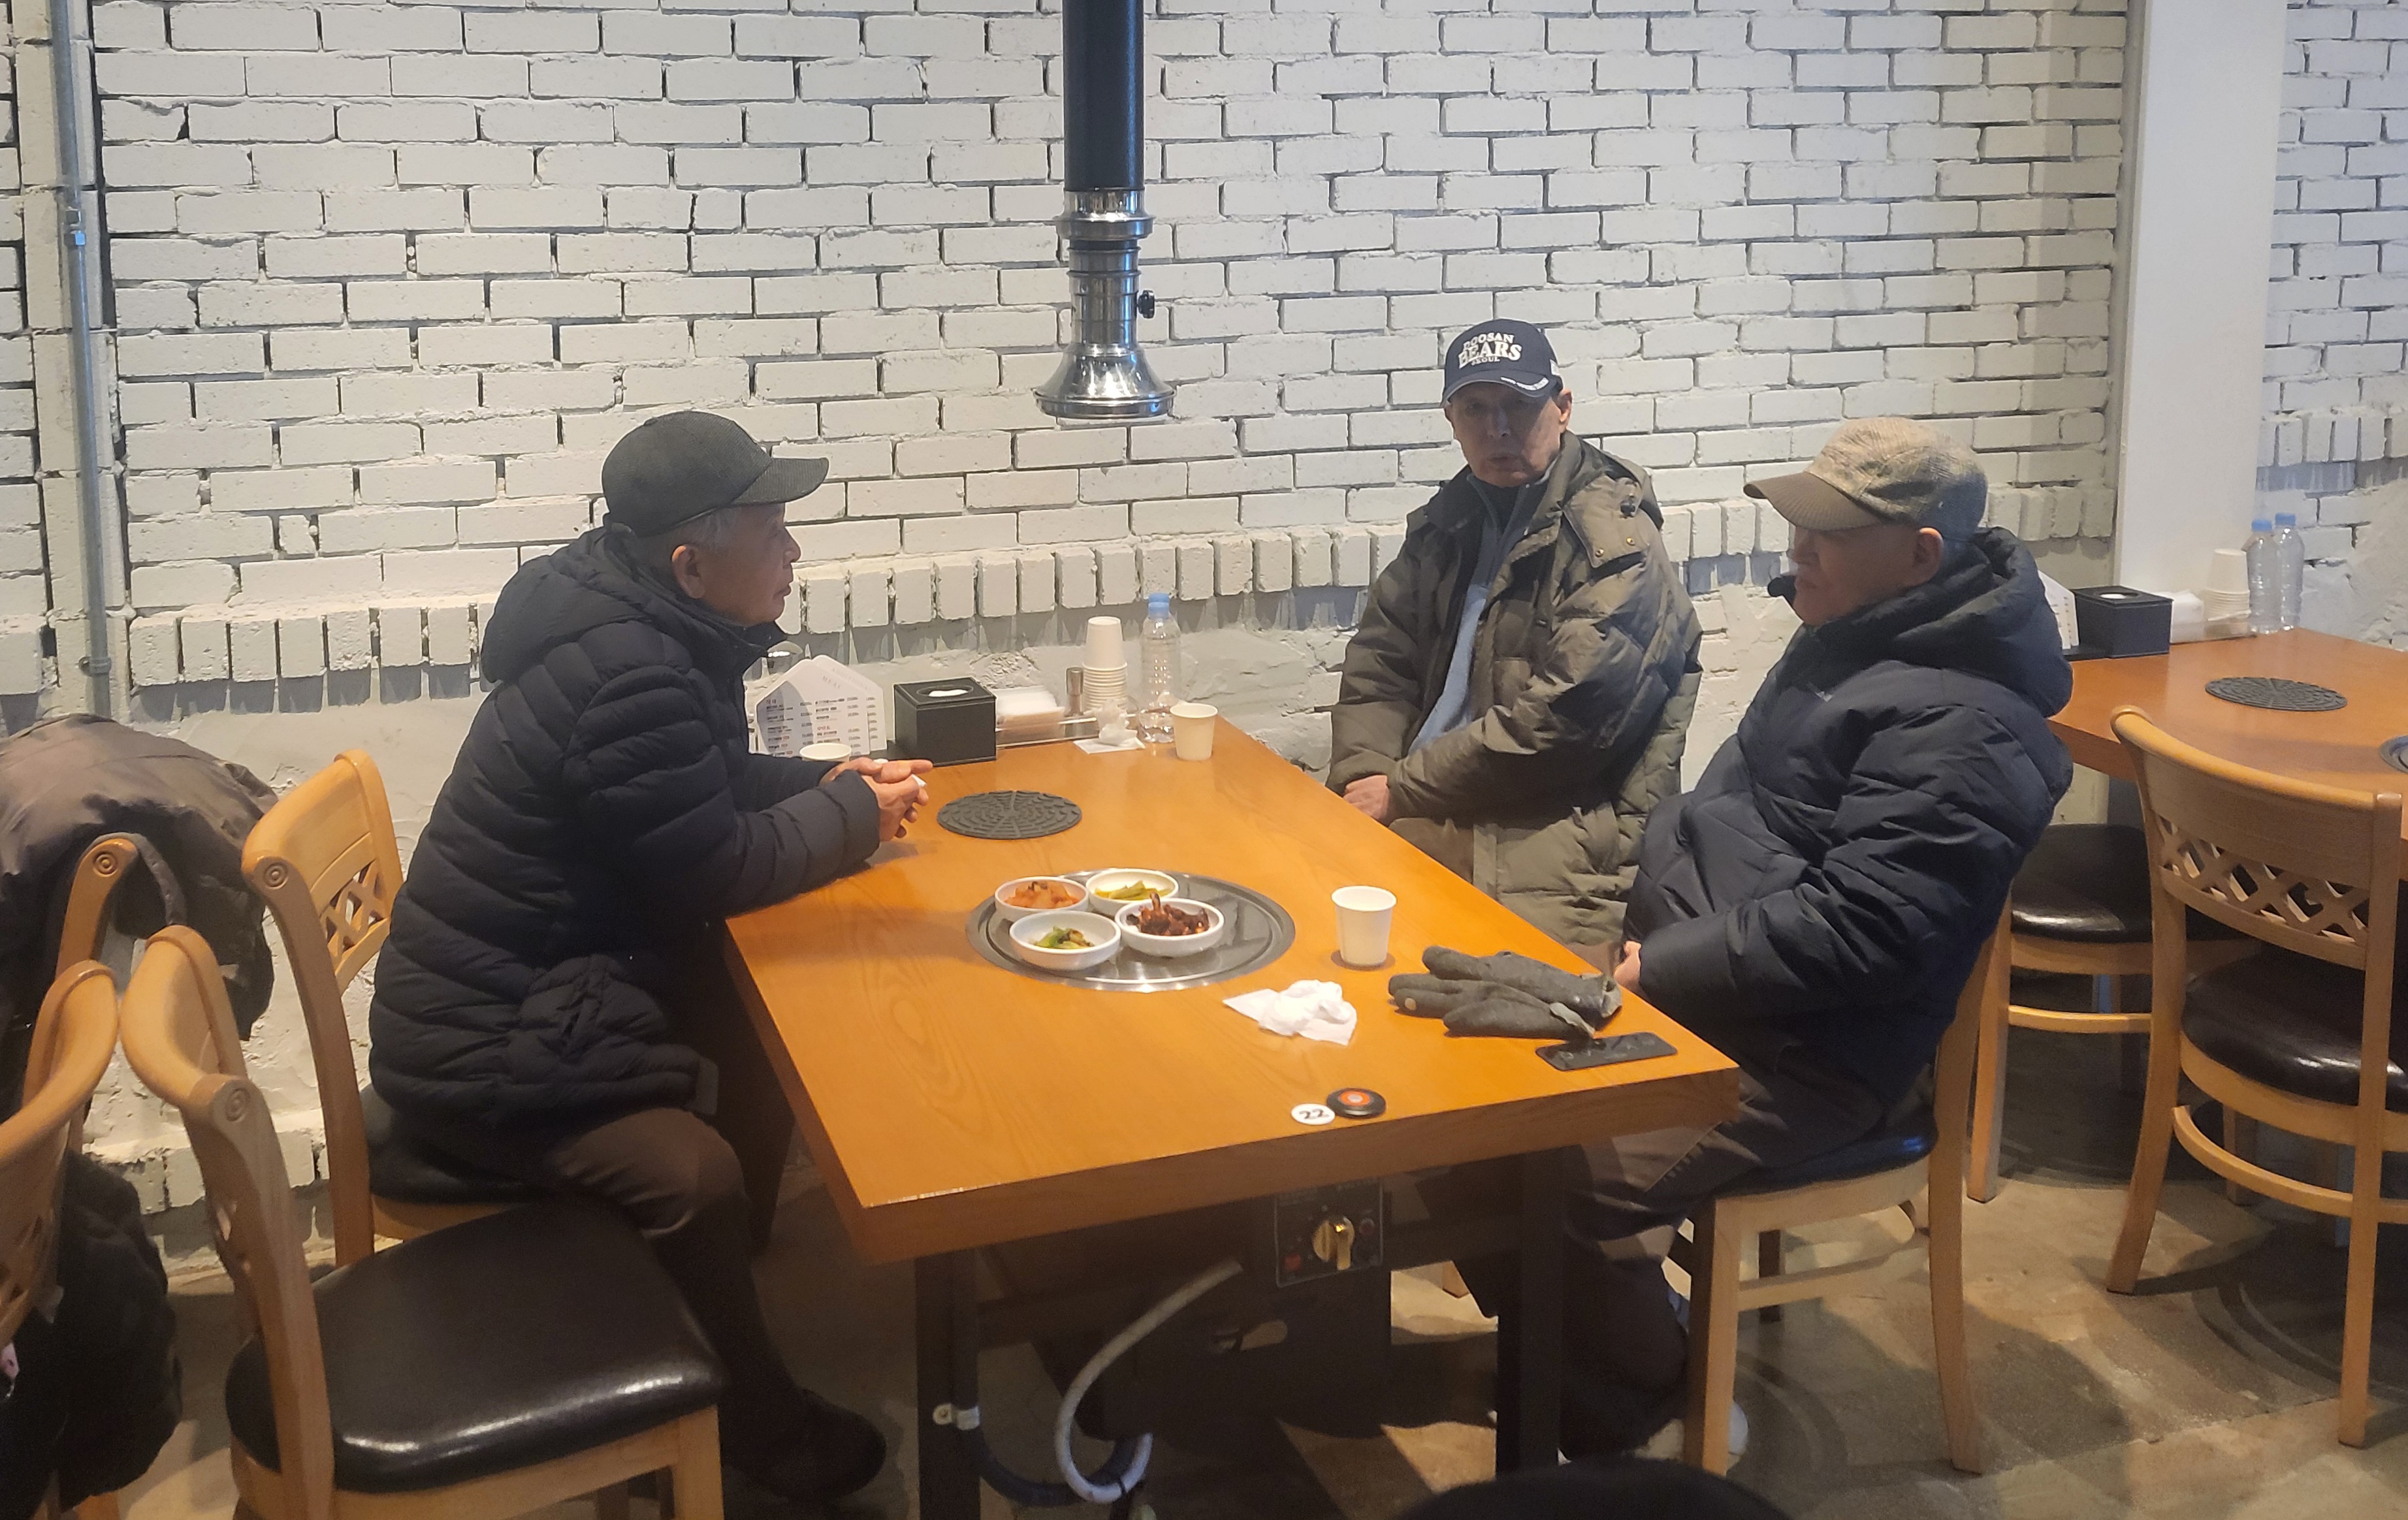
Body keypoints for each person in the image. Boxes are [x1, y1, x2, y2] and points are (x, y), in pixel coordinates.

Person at [1461, 417, 2074, 1454]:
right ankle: (1587, 1345)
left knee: (1540, 1172)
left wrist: (1658, 966)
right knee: (1464, 1106)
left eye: (1829, 533)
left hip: (1807, 1050)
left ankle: (1662, 1406)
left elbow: (1867, 931)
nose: (1799, 550)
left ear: (1919, 555)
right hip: (1709, 986)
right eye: (1800, 523)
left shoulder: (1965, 726)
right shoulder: (1854, 634)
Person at [367, 411, 927, 1504]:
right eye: (772, 530)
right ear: (690, 562)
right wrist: (853, 817)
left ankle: (713, 1294)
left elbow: (694, 786)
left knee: (762, 1031)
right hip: (486, 1051)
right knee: (691, 1175)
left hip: (530, 992)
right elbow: (714, 864)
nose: (794, 551)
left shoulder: (640, 626)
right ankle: (750, 1428)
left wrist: (827, 783)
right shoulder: (631, 671)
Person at [1328, 321, 1701, 958]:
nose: (1497, 429)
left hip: (1551, 830)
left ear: (1562, 407)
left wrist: (1400, 791)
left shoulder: (1615, 543)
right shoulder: (1451, 521)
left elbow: (1563, 723)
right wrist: (1365, 775)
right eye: (1476, 408)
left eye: (1518, 405)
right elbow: (1381, 665)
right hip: (1423, 802)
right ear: (1450, 418)